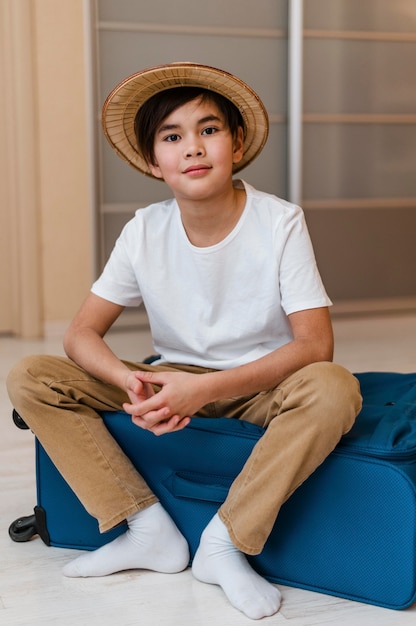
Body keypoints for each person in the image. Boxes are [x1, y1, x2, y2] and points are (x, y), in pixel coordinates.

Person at [7, 62, 362, 620]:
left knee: (334, 388)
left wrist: (208, 390)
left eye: (209, 129)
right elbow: (81, 333)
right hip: (169, 378)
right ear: (154, 162)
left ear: (236, 142)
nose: (192, 147)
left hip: (262, 384)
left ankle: (225, 542)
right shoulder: (144, 229)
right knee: (32, 375)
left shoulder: (279, 221)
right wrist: (132, 381)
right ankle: (147, 530)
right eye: (172, 137)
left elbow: (315, 346)